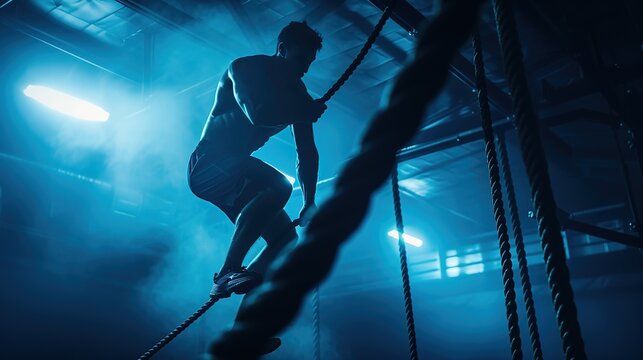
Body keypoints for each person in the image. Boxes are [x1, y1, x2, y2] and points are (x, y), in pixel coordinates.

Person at [188, 21, 325, 302]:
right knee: (279, 185)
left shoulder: (299, 95)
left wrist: (309, 201)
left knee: (285, 241)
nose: (305, 69)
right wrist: (302, 112)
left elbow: (307, 152)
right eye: (301, 59)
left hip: (236, 174)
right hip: (209, 163)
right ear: (283, 50)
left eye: (310, 62)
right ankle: (227, 272)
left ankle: (243, 334)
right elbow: (258, 115)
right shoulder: (245, 68)